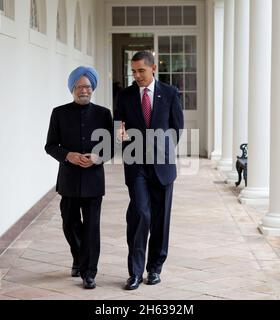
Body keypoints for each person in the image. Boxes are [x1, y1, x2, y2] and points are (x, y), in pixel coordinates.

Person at [114, 51, 184, 290]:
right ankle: (134, 272)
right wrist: (119, 135)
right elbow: (118, 125)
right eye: (133, 71)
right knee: (141, 214)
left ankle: (154, 269)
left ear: (153, 68)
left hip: (162, 166)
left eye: (141, 71)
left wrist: (162, 150)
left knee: (161, 219)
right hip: (136, 166)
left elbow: (177, 128)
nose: (136, 76)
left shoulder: (171, 93)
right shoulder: (124, 96)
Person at [45, 66, 113, 289]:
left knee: (92, 227)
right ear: (72, 88)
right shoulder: (59, 113)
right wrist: (68, 156)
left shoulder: (104, 114)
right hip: (69, 180)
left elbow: (111, 146)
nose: (84, 90)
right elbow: (50, 146)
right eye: (79, 86)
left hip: (94, 180)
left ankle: (89, 272)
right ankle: (79, 257)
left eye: (87, 86)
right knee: (69, 224)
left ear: (93, 88)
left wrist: (97, 157)